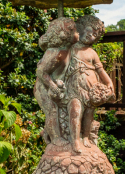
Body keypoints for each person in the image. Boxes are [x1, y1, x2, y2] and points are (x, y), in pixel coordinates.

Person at [65, 15, 114, 154]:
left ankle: (85, 137)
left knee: (88, 114)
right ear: (80, 28)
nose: (90, 36)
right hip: (74, 88)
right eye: (88, 31)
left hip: (91, 89)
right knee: (75, 111)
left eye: (94, 35)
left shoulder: (92, 53)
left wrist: (109, 82)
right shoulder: (70, 49)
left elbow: (101, 70)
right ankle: (75, 140)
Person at [34, 17, 78, 146]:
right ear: (65, 35)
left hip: (54, 87)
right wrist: (53, 86)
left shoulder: (67, 50)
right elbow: (41, 72)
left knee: (59, 111)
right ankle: (56, 138)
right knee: (52, 111)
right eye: (75, 30)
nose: (78, 32)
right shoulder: (56, 52)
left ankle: (47, 133)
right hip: (43, 87)